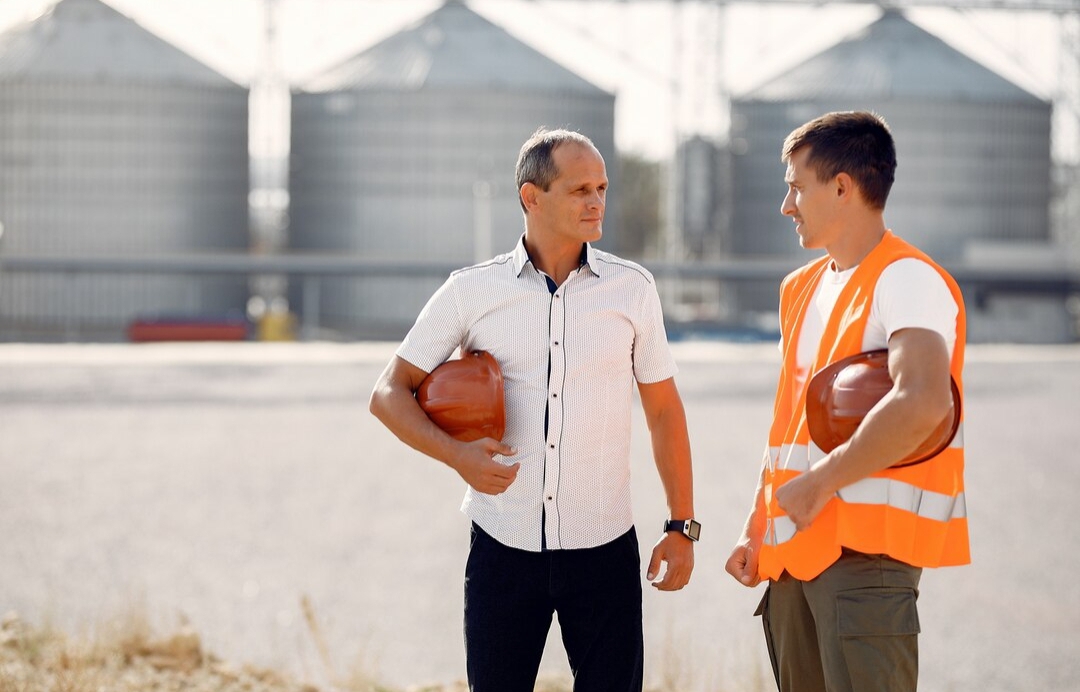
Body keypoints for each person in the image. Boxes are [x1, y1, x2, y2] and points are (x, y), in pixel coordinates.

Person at [369, 127, 697, 692]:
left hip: (604, 549)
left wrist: (682, 526)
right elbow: (388, 393)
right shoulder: (471, 291)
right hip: (503, 546)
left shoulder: (633, 290)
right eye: (580, 190)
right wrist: (457, 457)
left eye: (602, 188)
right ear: (531, 196)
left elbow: (664, 410)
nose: (596, 202)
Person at [724, 111, 970, 692]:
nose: (786, 206)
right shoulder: (799, 288)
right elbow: (789, 425)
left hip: (865, 563)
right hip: (791, 557)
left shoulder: (908, 279)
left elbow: (924, 401)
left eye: (796, 187)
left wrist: (821, 483)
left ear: (841, 187)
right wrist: (756, 526)